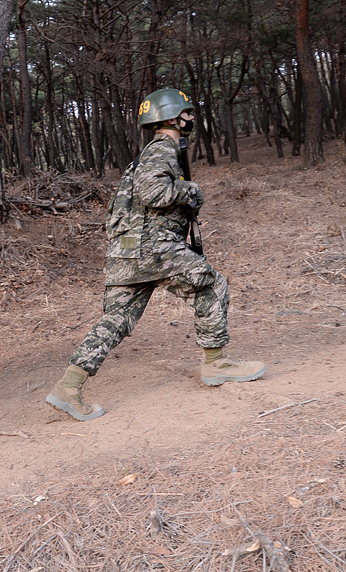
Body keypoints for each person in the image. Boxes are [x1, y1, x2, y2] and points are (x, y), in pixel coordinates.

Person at [44, 89, 266, 421]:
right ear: (173, 117)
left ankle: (69, 387)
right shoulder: (163, 149)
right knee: (212, 286)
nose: (192, 117)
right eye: (187, 112)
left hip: (127, 254)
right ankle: (215, 363)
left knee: (116, 320)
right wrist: (191, 191)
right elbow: (154, 193)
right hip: (154, 249)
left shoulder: (147, 155)